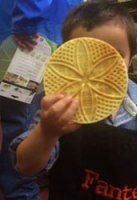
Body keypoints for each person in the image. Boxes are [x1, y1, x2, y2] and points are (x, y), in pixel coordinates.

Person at [11, 1, 137, 200]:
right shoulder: (55, 107)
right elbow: (25, 166)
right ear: (65, 55)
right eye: (88, 54)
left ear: (130, 59)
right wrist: (47, 132)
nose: (100, 67)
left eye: (115, 56)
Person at [0, 0, 83, 199]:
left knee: (21, 123)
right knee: (26, 124)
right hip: (42, 32)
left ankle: (20, 187)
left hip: (29, 35)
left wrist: (26, 23)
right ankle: (22, 189)